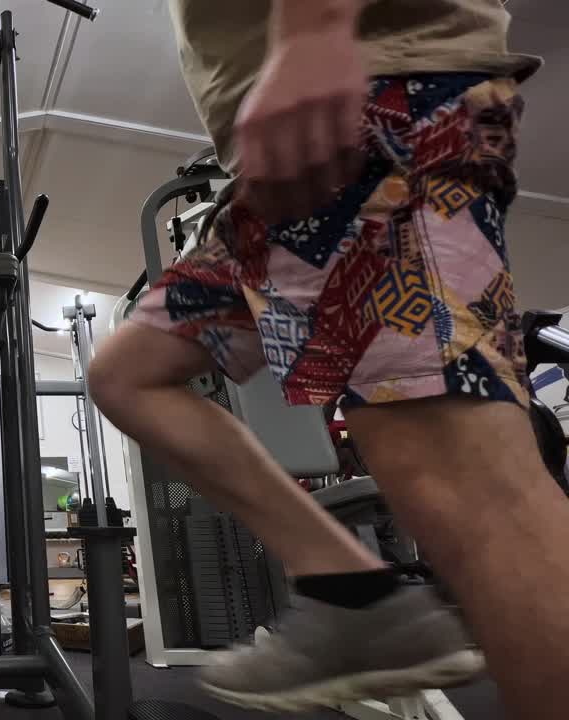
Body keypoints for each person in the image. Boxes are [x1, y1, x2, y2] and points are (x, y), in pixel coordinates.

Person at [87, 1, 565, 717]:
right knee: (129, 377)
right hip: (287, 185)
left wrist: (314, 32)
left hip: (375, 113)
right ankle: (353, 593)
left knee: (460, 483)